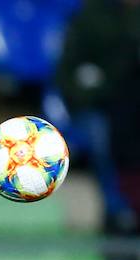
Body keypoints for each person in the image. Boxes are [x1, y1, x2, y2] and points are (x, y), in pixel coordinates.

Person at [55, 0, 140, 233]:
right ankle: (116, 209)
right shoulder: (92, 16)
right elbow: (67, 75)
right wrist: (95, 91)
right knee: (99, 134)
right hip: (99, 108)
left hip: (132, 110)